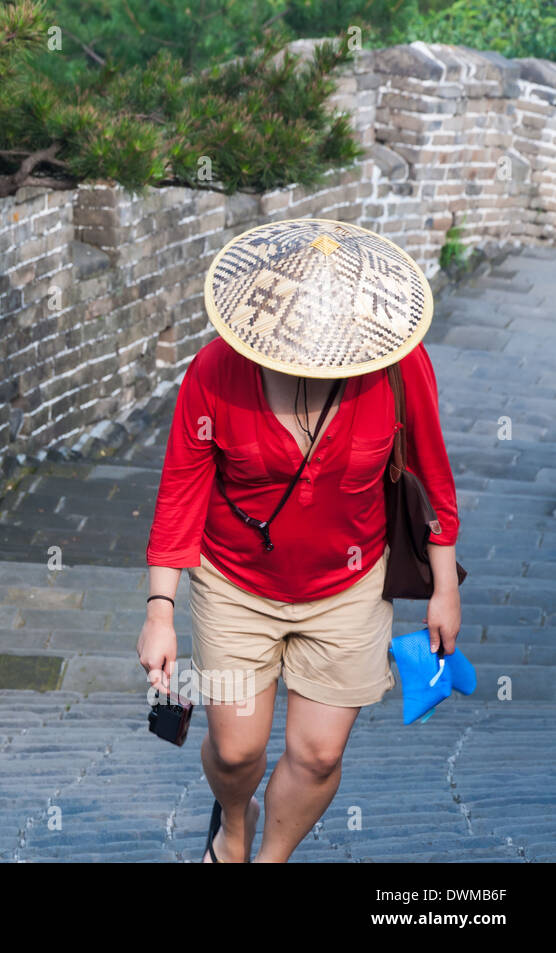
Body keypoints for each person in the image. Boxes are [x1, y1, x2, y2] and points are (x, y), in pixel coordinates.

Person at [137, 219, 461, 863]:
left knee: (317, 755)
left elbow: (432, 476)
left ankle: (267, 857)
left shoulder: (399, 369)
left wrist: (444, 588)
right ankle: (235, 825)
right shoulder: (214, 372)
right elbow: (180, 493)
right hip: (233, 584)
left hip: (351, 585)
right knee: (236, 750)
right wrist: (160, 610)